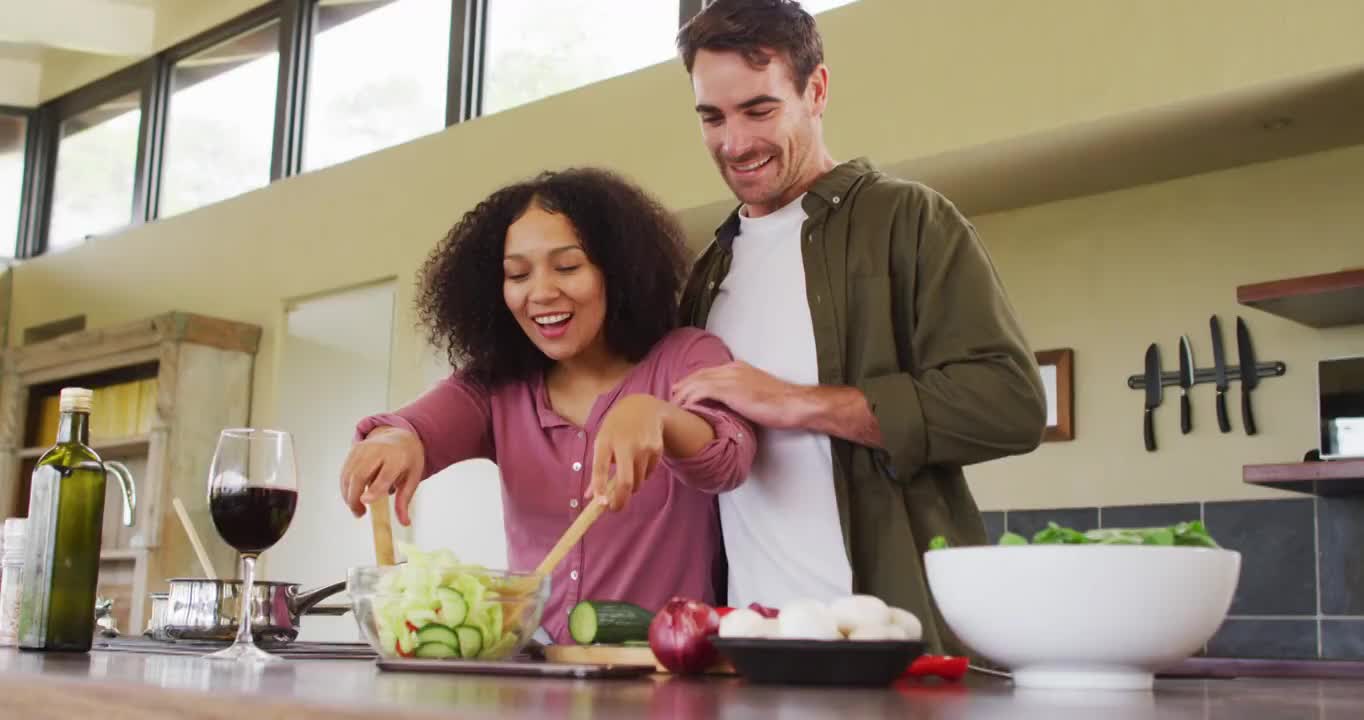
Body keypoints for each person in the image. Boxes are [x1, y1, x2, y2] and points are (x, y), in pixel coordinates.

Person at [671, 0, 1047, 654]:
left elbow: (1010, 404)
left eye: (759, 109)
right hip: (749, 652)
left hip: (897, 645)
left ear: (816, 90)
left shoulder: (911, 219)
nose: (734, 143)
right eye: (713, 116)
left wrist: (794, 402)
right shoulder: (706, 274)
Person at [339, 167, 755, 643]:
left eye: (568, 267)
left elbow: (730, 457)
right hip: (534, 683)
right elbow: (413, 427)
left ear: (617, 272)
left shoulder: (685, 357)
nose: (540, 292)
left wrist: (660, 417)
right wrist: (395, 439)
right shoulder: (497, 387)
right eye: (518, 274)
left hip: (665, 678)